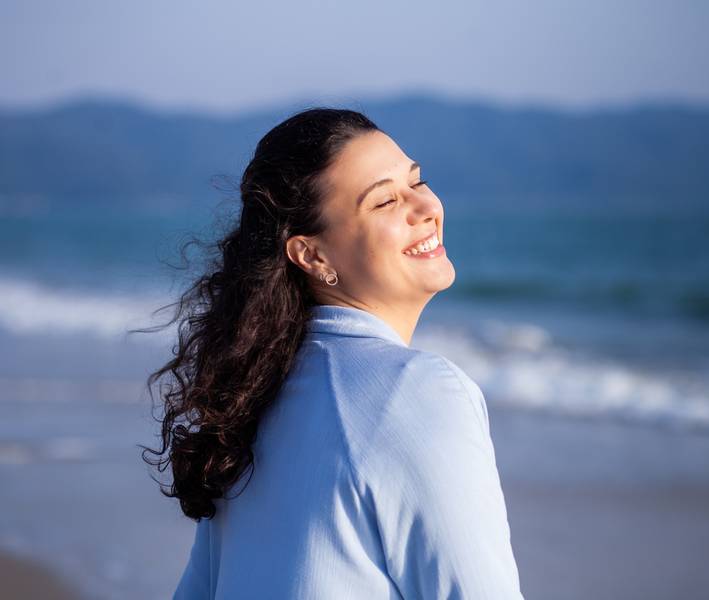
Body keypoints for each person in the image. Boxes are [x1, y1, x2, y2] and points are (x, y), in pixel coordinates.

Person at [141, 107, 524, 598]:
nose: (425, 207)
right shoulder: (418, 393)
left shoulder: (253, 396)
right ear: (313, 255)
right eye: (385, 202)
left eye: (417, 181)